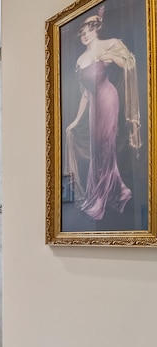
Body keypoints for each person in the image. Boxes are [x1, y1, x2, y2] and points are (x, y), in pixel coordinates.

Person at [65, 7, 141, 221]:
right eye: (82, 32)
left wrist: (109, 57)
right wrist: (76, 120)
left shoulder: (110, 44)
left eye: (89, 29)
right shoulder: (80, 60)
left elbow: (128, 63)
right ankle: (115, 191)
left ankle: (102, 197)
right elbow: (86, 95)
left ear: (97, 29)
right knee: (97, 148)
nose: (85, 34)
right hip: (94, 107)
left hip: (108, 98)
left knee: (107, 145)